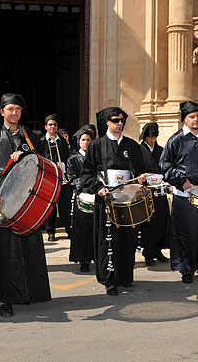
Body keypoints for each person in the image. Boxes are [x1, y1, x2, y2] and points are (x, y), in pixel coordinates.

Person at [0, 93, 51, 317]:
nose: (14, 113)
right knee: (3, 250)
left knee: (29, 245)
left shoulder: (31, 136)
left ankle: (27, 293)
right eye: (10, 109)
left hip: (27, 198)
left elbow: (42, 161)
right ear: (1, 111)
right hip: (0, 197)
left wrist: (27, 153)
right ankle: (4, 299)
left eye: (18, 109)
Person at [80, 107, 145, 296]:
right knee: (108, 240)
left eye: (122, 120)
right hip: (106, 199)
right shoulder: (96, 145)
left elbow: (140, 170)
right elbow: (87, 174)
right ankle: (109, 280)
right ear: (107, 122)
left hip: (128, 200)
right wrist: (97, 188)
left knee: (128, 240)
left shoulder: (132, 146)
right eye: (115, 120)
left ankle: (125, 276)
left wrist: (141, 178)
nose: (119, 123)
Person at [159, 101, 198, 284]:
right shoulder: (175, 140)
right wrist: (181, 181)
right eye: (192, 117)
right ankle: (186, 267)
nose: (196, 120)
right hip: (184, 193)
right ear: (185, 119)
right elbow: (164, 166)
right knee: (186, 232)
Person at [139, 122, 170, 266]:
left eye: (154, 136)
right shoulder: (139, 150)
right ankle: (148, 252)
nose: (152, 139)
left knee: (162, 219)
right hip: (146, 192)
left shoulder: (161, 150)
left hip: (159, 190)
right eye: (150, 137)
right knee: (148, 222)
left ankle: (158, 249)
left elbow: (166, 167)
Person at [36, 114, 70, 241]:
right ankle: (50, 231)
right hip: (48, 178)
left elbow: (67, 157)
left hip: (62, 177)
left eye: (55, 125)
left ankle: (68, 228)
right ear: (45, 127)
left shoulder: (62, 141)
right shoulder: (41, 141)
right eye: (50, 124)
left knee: (64, 205)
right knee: (50, 206)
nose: (53, 127)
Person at [66, 126, 95, 272]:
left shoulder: (96, 156)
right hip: (82, 197)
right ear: (78, 141)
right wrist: (85, 186)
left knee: (96, 229)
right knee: (82, 230)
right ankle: (84, 260)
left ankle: (97, 256)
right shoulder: (73, 158)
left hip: (96, 196)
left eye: (88, 140)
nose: (86, 142)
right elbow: (71, 178)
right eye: (83, 140)